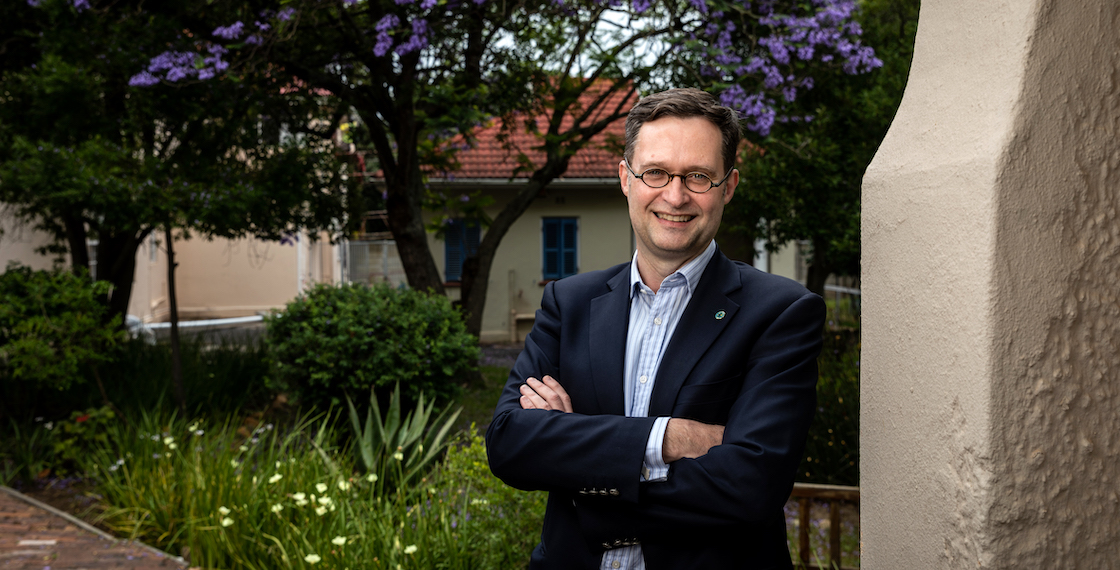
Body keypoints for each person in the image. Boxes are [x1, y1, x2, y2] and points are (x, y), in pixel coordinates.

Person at [485, 88, 825, 570]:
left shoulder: (782, 313)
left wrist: (580, 470)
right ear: (626, 179)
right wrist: (667, 438)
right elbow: (509, 442)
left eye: (699, 176)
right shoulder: (569, 303)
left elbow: (750, 486)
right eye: (656, 173)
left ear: (728, 187)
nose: (675, 195)